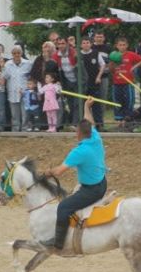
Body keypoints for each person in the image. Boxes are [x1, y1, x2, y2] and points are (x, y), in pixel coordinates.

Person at [40, 97, 107, 251]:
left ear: (78, 133)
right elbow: (89, 121)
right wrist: (86, 107)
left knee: (63, 208)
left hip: (92, 190)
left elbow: (60, 171)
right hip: (102, 182)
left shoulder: (79, 152)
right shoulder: (95, 137)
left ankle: (58, 243)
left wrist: (47, 173)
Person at [111, 36, 141, 122]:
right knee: (117, 102)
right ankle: (119, 121)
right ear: (117, 46)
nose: (122, 47)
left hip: (128, 82)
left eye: (124, 45)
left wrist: (134, 67)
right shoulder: (113, 55)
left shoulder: (130, 54)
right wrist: (112, 65)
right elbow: (111, 69)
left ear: (127, 45)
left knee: (129, 102)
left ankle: (128, 121)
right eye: (120, 45)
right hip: (117, 82)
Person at [3, 45, 32, 132]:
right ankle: (15, 129)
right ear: (12, 54)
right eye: (14, 53)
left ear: (21, 53)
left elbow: (31, 77)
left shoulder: (28, 63)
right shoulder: (8, 64)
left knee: (25, 113)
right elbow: (5, 77)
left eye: (18, 53)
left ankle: (25, 129)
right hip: (13, 92)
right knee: (14, 114)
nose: (16, 55)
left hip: (25, 92)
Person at [52, 36, 80, 125]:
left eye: (63, 43)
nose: (61, 46)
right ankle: (72, 122)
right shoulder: (56, 55)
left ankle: (75, 123)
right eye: (59, 44)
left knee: (77, 103)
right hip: (66, 81)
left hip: (77, 80)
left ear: (67, 44)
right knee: (70, 103)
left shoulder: (73, 52)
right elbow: (56, 70)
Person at [80, 36, 106, 129]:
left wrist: (99, 77)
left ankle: (99, 125)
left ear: (90, 44)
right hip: (82, 84)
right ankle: (84, 126)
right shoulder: (79, 55)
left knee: (96, 105)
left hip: (94, 83)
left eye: (87, 43)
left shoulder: (96, 53)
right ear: (81, 45)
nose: (86, 44)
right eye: (84, 43)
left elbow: (103, 65)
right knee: (83, 105)